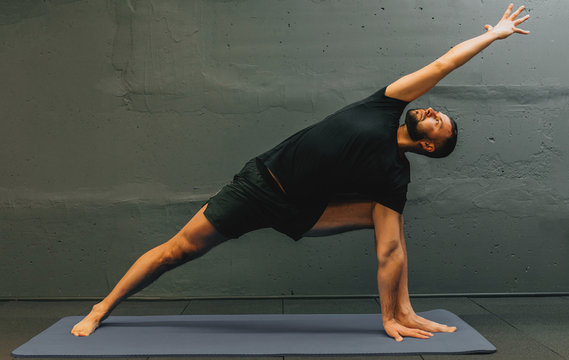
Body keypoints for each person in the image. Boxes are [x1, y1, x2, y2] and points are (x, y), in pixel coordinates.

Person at [71, 4, 530, 341]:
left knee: (388, 221)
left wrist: (387, 315)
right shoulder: (385, 104)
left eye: (437, 122)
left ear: (430, 145)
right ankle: (101, 308)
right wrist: (492, 36)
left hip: (302, 210)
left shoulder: (394, 175)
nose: (430, 110)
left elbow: (389, 249)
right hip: (257, 186)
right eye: (434, 110)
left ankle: (401, 312)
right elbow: (443, 63)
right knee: (177, 251)